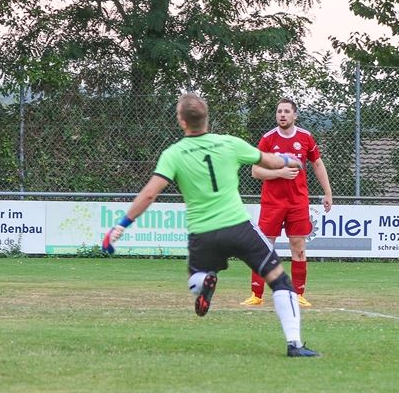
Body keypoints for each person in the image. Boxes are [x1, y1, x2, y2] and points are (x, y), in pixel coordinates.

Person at [102, 92, 320, 357]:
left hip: (203, 234)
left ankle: (205, 281)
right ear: (207, 119)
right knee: (279, 280)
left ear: (181, 121)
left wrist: (122, 225)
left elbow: (149, 194)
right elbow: (270, 160)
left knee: (196, 277)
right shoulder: (229, 143)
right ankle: (294, 344)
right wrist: (291, 160)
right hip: (238, 228)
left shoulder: (174, 153)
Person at [241, 98, 333, 308]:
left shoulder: (306, 138)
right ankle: (256, 295)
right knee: (264, 247)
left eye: (286, 111)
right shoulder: (268, 139)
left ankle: (299, 294)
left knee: (298, 247)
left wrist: (328, 192)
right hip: (272, 203)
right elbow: (256, 171)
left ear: (295, 115)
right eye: (279, 111)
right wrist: (279, 172)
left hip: (298, 202)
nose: (282, 115)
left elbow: (317, 164)